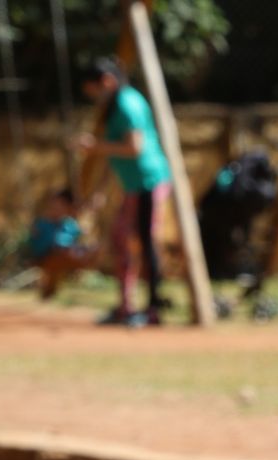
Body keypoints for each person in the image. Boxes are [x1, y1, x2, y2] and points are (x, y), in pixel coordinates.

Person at [74, 57, 171, 327]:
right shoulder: (114, 105)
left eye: (93, 89)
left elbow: (134, 148)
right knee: (121, 240)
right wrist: (101, 190)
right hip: (133, 185)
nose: (92, 96)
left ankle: (152, 309)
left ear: (106, 82)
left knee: (144, 243)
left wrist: (94, 147)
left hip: (149, 181)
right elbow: (113, 152)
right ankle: (126, 306)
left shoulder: (128, 104)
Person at [27, 188, 97, 300]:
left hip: (66, 254)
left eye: (59, 205)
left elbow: (83, 234)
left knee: (92, 249)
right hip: (46, 255)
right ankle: (50, 285)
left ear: (67, 208)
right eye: (52, 205)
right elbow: (36, 244)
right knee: (61, 254)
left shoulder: (70, 224)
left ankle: (53, 286)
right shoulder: (42, 224)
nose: (54, 208)